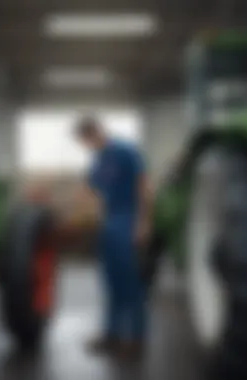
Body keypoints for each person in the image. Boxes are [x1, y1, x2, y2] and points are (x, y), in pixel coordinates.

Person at [74, 116, 152, 360]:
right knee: (110, 282)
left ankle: (136, 338)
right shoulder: (98, 159)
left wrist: (143, 222)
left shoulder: (125, 151)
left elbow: (143, 186)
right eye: (83, 143)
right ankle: (112, 335)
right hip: (109, 222)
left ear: (97, 132)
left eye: (87, 140)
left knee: (130, 283)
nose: (87, 146)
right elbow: (90, 189)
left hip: (128, 220)